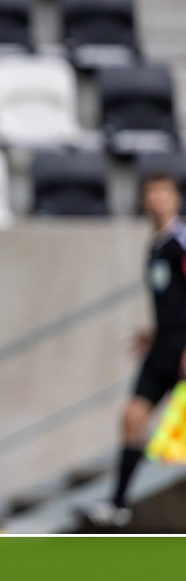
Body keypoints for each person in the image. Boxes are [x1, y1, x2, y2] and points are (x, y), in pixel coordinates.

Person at [83, 173, 186, 528]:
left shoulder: (181, 242)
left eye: (164, 193)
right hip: (162, 350)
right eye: (152, 194)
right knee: (132, 417)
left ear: (176, 199)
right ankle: (118, 504)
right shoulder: (155, 245)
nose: (158, 200)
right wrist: (155, 332)